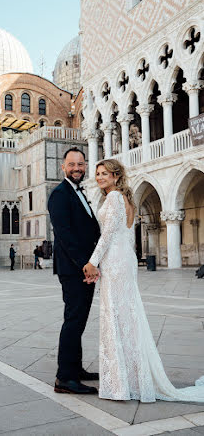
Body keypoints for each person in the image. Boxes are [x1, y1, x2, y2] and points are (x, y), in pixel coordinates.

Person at [83, 159, 204, 402]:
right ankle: (130, 379)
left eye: (104, 173)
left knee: (115, 318)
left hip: (116, 261)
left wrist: (92, 262)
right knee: (126, 318)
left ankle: (121, 384)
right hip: (122, 260)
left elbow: (106, 236)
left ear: (116, 176)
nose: (99, 177)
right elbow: (124, 237)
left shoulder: (114, 198)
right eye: (97, 174)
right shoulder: (125, 198)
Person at [48, 147, 101, 395]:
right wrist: (86, 264)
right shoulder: (59, 194)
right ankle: (64, 377)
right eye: (72, 164)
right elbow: (66, 235)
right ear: (63, 167)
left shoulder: (79, 192)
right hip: (74, 269)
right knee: (73, 321)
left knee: (78, 321)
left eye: (80, 164)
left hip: (83, 267)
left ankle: (75, 368)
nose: (77, 168)